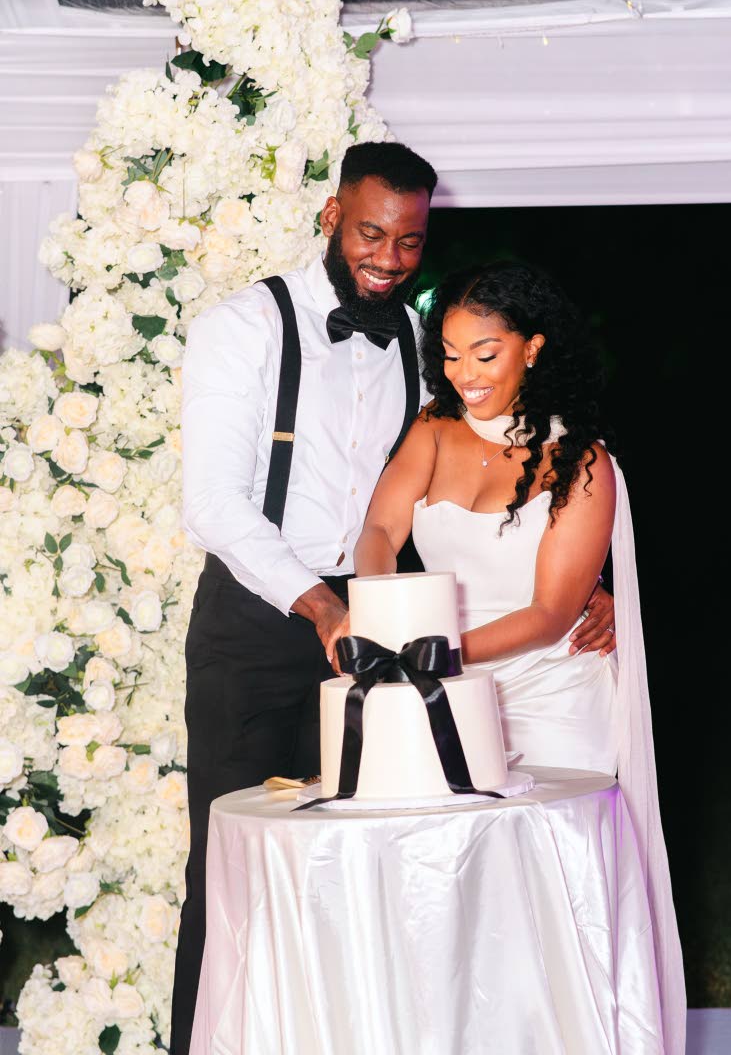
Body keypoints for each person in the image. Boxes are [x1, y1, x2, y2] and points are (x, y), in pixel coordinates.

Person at [171, 145, 615, 1054]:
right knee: (237, 870)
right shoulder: (243, 326)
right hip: (262, 620)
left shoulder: (423, 339)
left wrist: (583, 582)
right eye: (371, 233)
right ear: (332, 216)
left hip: (388, 628)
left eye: (410, 241)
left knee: (360, 869)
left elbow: (490, 472)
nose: (388, 257)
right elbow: (211, 502)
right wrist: (322, 606)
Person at [349, 261, 686, 1055]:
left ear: (531, 348)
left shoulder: (583, 463)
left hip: (552, 694)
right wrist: (384, 610)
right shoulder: (432, 430)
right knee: (454, 884)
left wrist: (434, 649)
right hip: (440, 689)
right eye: (450, 353)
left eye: (485, 353)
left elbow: (550, 613)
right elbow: (380, 530)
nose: (464, 373)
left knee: (548, 884)